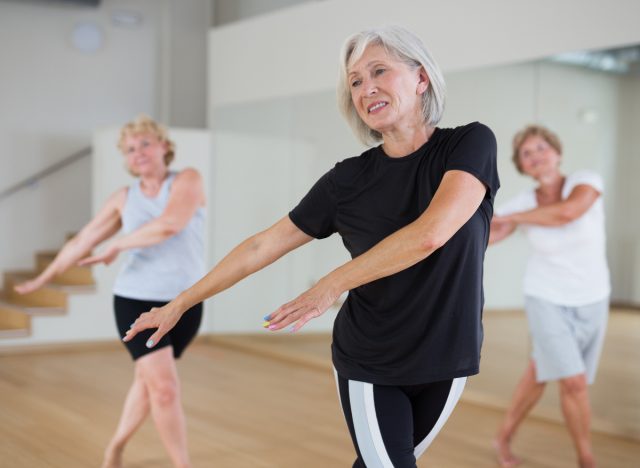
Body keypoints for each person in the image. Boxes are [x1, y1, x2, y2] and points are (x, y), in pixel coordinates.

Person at [125, 26, 499, 467]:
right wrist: (180, 304)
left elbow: (431, 233)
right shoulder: (347, 181)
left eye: (379, 71)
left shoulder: (469, 144)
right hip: (371, 358)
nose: (366, 88)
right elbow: (261, 246)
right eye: (355, 81)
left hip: (446, 355)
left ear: (421, 79)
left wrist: (327, 287)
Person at [15, 115, 206, 468]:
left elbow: (170, 224)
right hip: (136, 299)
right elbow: (84, 240)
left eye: (146, 143)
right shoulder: (124, 198)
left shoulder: (188, 180)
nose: (139, 152)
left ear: (164, 146)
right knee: (164, 389)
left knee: (148, 383)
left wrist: (118, 244)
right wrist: (44, 279)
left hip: (185, 301)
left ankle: (115, 447)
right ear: (126, 159)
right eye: (131, 149)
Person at [490, 125, 610, 468]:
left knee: (540, 372)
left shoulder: (585, 182)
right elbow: (486, 236)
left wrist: (512, 217)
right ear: (521, 166)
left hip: (593, 297)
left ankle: (503, 436)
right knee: (572, 381)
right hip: (545, 297)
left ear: (556, 152)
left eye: (541, 148)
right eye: (527, 154)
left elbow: (567, 213)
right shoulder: (523, 203)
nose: (536, 157)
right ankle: (587, 459)